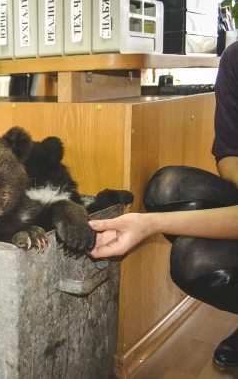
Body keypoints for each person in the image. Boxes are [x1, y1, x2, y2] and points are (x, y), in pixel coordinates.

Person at [89, 40, 238, 368]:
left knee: (194, 259)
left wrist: (149, 224)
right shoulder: (236, 58)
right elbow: (228, 152)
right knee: (168, 188)